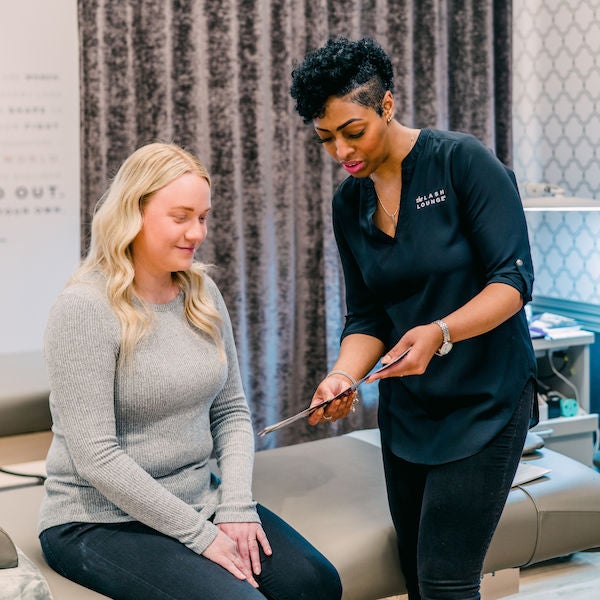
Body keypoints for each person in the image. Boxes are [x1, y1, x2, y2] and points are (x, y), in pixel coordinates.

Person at [38, 142, 342, 600]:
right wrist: (200, 536)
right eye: (180, 217)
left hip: (196, 494)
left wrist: (236, 507)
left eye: (202, 217)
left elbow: (233, 412)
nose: (196, 232)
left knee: (315, 585)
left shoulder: (200, 292)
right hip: (97, 518)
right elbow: (96, 457)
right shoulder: (85, 308)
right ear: (133, 213)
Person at [290, 37, 537, 600]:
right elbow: (367, 316)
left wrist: (441, 332)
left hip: (487, 398)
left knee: (447, 582)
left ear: (387, 105)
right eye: (326, 138)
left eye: (354, 131)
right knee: (417, 576)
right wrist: (342, 376)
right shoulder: (349, 204)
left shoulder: (461, 161)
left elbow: (514, 281)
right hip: (410, 411)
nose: (341, 152)